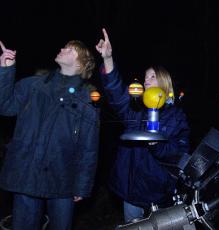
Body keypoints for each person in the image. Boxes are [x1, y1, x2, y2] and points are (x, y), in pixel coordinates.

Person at [0, 39, 100, 230]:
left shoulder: (87, 99)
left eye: (70, 49)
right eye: (64, 46)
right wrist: (5, 70)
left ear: (81, 63)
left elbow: (89, 147)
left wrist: (82, 185)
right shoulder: (32, 85)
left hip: (63, 180)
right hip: (26, 175)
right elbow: (5, 106)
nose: (62, 48)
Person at [95, 28, 190, 223]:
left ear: (165, 83)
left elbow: (179, 152)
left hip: (159, 193)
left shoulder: (177, 117)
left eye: (152, 77)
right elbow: (116, 94)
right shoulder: (134, 111)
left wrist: (159, 146)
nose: (147, 81)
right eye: (146, 77)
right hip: (131, 192)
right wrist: (108, 59)